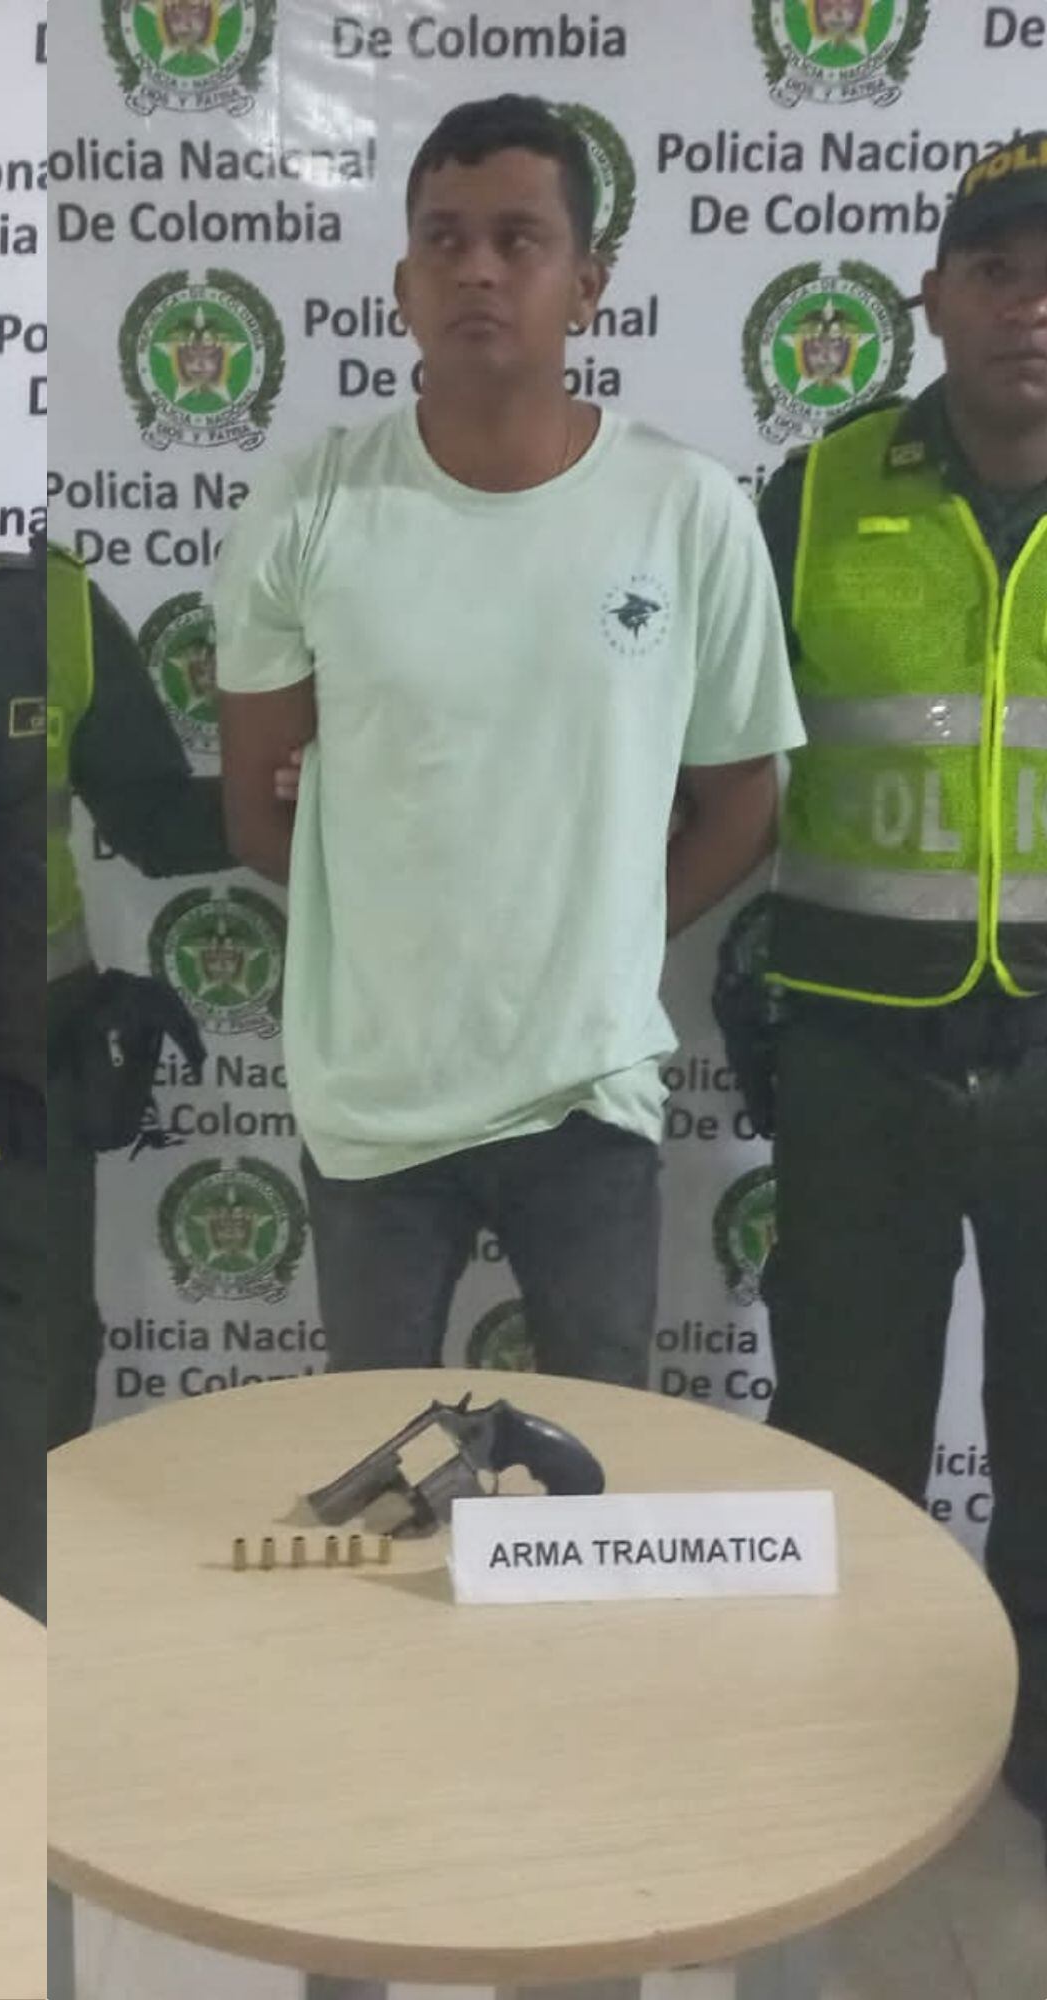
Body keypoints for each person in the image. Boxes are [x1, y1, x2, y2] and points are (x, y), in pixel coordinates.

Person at [213, 95, 802, 1385]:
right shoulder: (310, 502)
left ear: (586, 284)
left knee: (593, 1471)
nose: (476, 267)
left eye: (517, 239)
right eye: (443, 238)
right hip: (373, 1096)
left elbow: (741, 800)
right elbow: (258, 809)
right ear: (401, 282)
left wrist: (600, 939)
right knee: (371, 1474)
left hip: (584, 1089)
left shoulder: (685, 510)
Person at [755, 132, 1047, 1831]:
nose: (1032, 307)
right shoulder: (818, 490)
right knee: (844, 1431)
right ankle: (851, 1755)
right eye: (998, 271)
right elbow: (711, 752)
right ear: (934, 299)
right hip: (859, 1057)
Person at [0, 540, 225, 1618]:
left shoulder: (58, 611)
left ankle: (40, 1650)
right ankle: (11, 1653)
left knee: (41, 1368)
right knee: (24, 1380)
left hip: (43, 1057)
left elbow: (156, 823)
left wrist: (327, 782)